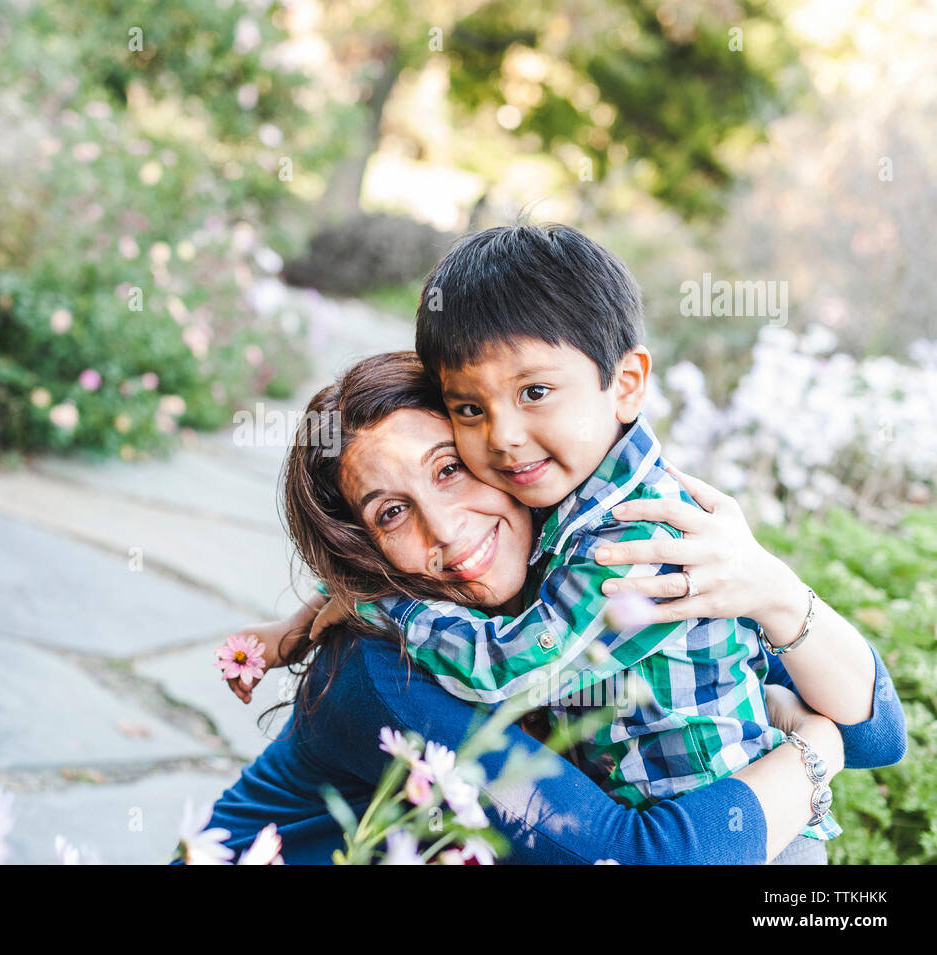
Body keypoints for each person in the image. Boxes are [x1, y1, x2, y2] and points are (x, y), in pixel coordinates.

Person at [239, 224, 881, 855]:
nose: (505, 437)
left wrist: (775, 592)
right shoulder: (380, 671)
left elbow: (876, 735)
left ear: (625, 384)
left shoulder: (635, 542)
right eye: (391, 514)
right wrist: (812, 752)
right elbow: (644, 857)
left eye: (448, 470)